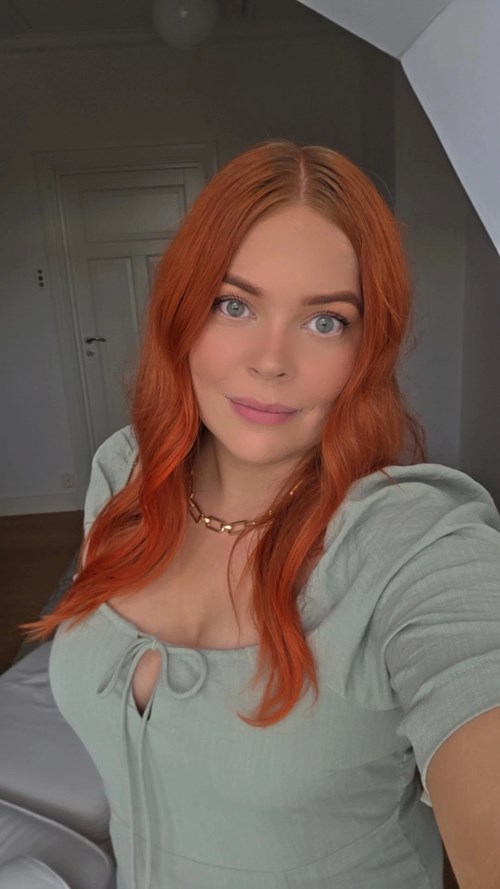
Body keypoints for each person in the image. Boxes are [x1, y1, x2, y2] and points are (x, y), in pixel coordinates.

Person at [20, 140, 500, 889]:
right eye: (233, 304)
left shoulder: (415, 545)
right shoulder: (125, 472)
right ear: (183, 313)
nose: (271, 360)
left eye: (325, 321)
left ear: (368, 347)